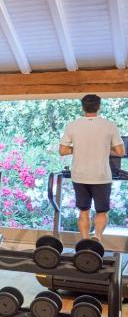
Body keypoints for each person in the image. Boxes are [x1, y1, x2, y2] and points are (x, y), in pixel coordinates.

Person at [59, 94, 125, 243]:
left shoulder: (73, 125)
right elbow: (120, 152)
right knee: (102, 211)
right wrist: (103, 148)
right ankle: (97, 237)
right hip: (101, 176)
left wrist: (79, 148)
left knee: (84, 211)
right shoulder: (109, 125)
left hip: (79, 176)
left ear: (82, 107)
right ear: (99, 107)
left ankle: (85, 242)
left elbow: (62, 151)